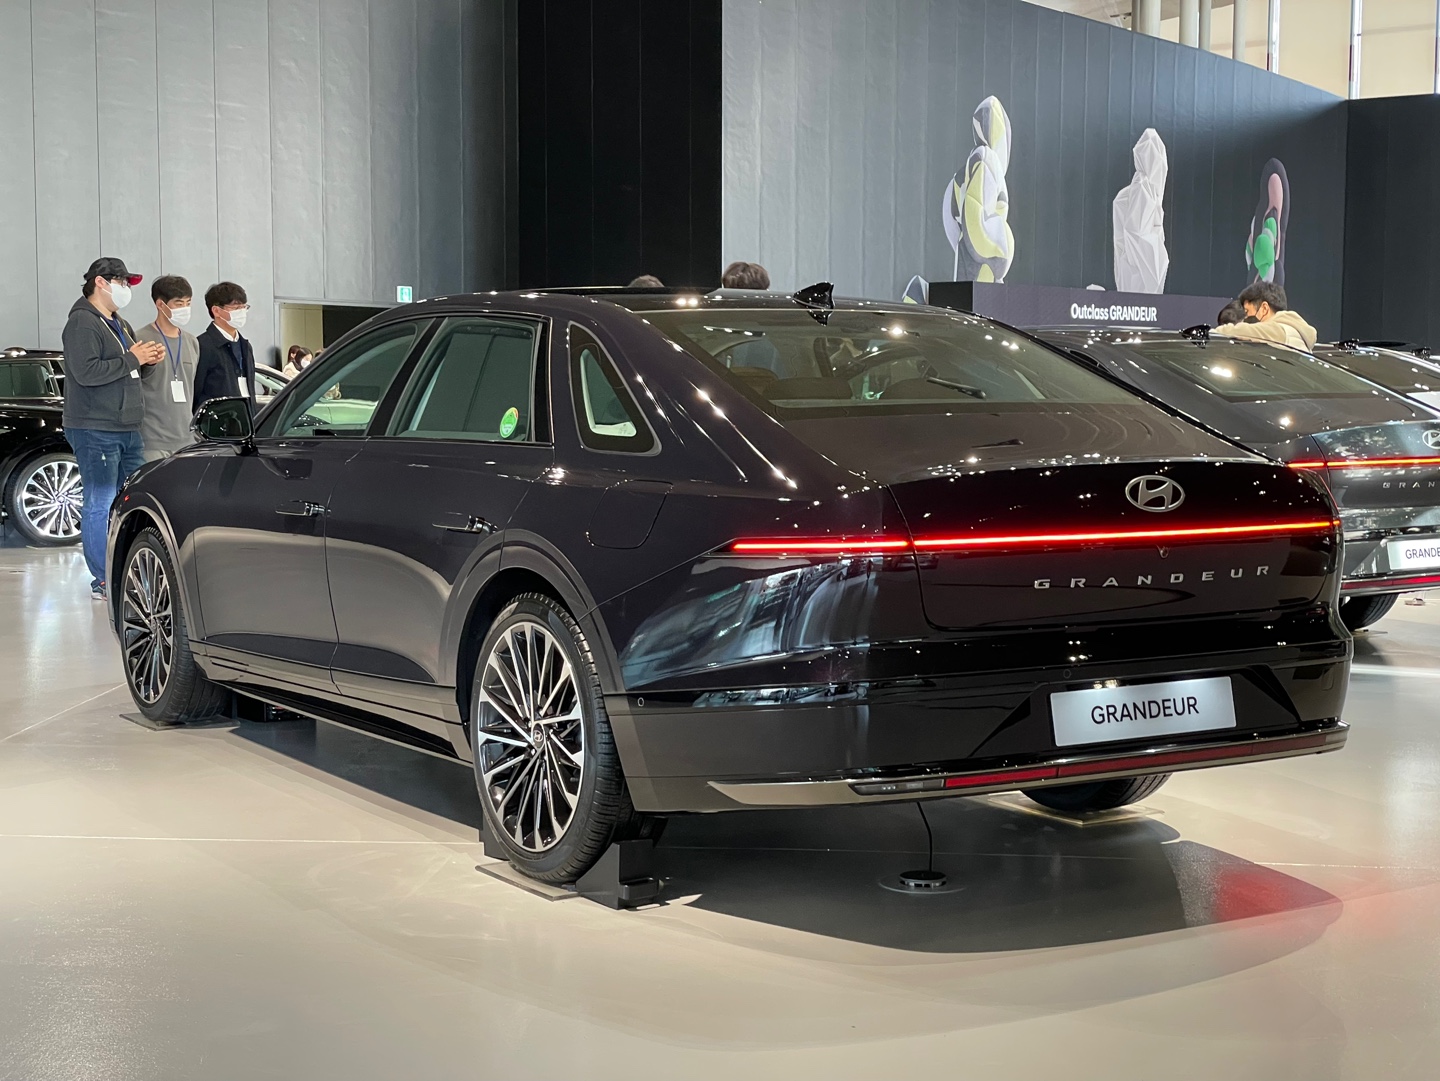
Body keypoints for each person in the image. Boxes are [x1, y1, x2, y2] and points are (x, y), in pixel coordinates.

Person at [60, 257, 165, 599]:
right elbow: (86, 373)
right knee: (101, 501)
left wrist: (147, 362)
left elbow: (128, 370)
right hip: (95, 427)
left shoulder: (119, 323)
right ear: (101, 283)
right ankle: (103, 579)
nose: (126, 289)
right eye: (122, 283)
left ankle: (127, 568)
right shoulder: (82, 323)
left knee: (131, 500)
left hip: (127, 426)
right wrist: (134, 358)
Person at [133, 276, 200, 462]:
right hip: (152, 440)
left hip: (186, 440)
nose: (184, 308)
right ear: (160, 304)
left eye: (188, 303)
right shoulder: (140, 339)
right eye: (179, 303)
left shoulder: (192, 342)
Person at [193, 282, 257, 410]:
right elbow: (196, 390)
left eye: (244, 307)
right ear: (216, 310)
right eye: (236, 308)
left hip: (246, 415)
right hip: (218, 417)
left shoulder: (245, 346)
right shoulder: (203, 345)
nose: (241, 312)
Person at [1213, 281, 1316, 350]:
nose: (1246, 317)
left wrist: (1211, 334)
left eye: (1247, 311)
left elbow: (1237, 331)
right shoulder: (1295, 332)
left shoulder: (1278, 331)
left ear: (1264, 309)